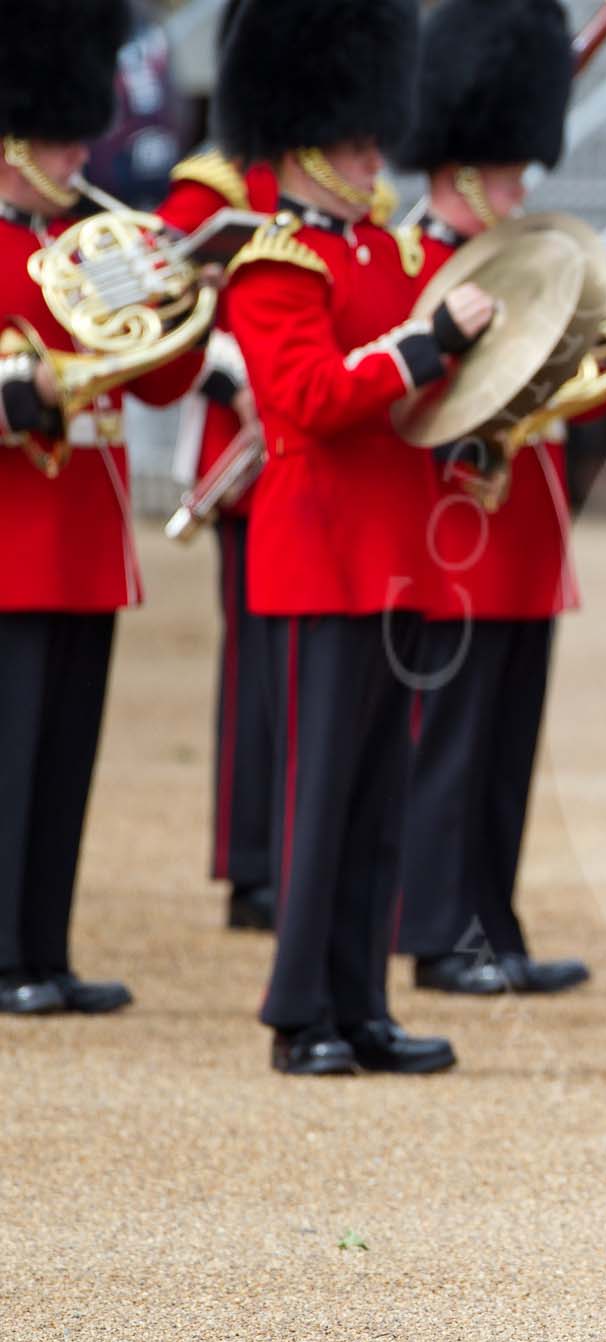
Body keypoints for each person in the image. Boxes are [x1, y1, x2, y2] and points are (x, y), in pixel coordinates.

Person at [217, 0, 489, 1077]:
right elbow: (311, 397)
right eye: (355, 138)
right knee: (319, 799)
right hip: (319, 554)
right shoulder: (276, 264)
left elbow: (423, 391)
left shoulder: (385, 249)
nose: (374, 154)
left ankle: (361, 1002)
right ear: (301, 144)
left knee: (377, 798)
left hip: (399, 550)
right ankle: (299, 1011)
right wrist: (426, 345)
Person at [387, 0, 594, 999]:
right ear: (462, 172)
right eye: (505, 174)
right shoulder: (414, 266)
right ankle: (436, 928)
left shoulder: (521, 263)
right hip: (452, 530)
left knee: (505, 748)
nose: (517, 192)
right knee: (451, 745)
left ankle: (493, 923)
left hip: (522, 529)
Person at [0, 0, 203, 1017]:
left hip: (82, 529)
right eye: (56, 134)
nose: (78, 150)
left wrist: (179, 300)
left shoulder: (95, 238)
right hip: (12, 535)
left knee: (63, 758)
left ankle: (43, 946)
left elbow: (163, 383)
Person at [154, 0, 280, 936]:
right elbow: (157, 313)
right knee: (260, 670)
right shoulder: (212, 186)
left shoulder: (338, 188)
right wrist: (235, 369)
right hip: (247, 459)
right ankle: (251, 859)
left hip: (322, 451)